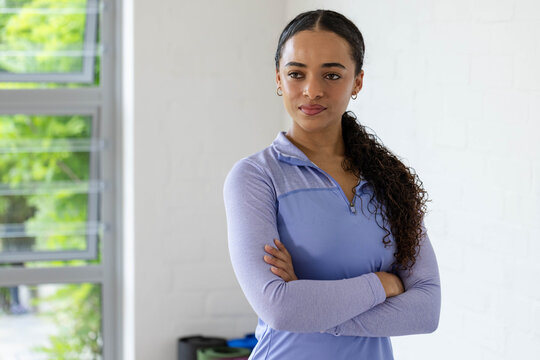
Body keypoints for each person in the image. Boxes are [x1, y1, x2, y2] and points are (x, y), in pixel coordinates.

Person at [223, 9, 441, 360]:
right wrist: (383, 285)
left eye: (332, 75)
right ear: (279, 79)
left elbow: (426, 309)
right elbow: (280, 310)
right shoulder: (255, 176)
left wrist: (312, 306)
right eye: (296, 74)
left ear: (357, 82)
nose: (312, 91)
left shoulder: (389, 180)